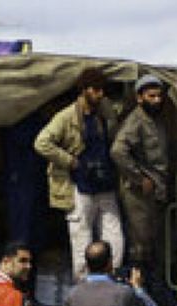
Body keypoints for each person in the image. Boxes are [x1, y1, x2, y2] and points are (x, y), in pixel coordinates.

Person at [34, 67, 123, 283]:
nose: (100, 94)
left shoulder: (106, 110)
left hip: (105, 183)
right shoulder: (66, 117)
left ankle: (113, 276)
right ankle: (84, 284)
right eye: (95, 89)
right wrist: (70, 161)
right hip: (78, 186)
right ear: (83, 90)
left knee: (115, 236)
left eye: (102, 89)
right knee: (81, 238)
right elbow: (41, 143)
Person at [111, 74, 177, 303]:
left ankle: (155, 290)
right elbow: (118, 151)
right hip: (138, 194)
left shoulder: (157, 121)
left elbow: (161, 155)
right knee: (140, 246)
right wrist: (138, 177)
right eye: (151, 96)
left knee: (155, 244)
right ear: (140, 98)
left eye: (159, 95)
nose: (157, 100)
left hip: (156, 191)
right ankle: (139, 293)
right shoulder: (136, 120)